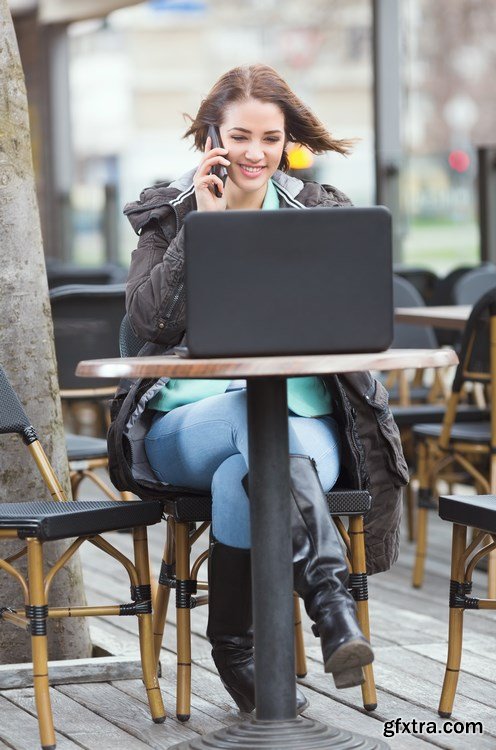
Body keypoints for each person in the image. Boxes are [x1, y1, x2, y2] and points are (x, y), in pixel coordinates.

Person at [123, 64, 375, 715]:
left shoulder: (321, 210)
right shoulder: (169, 214)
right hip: (187, 424)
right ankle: (332, 611)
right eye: (240, 136)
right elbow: (150, 320)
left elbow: (355, 317)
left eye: (271, 137)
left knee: (254, 464)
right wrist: (206, 232)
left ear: (289, 137)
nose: (256, 153)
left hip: (304, 423)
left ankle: (235, 650)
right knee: (243, 415)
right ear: (212, 134)